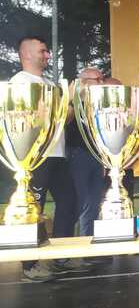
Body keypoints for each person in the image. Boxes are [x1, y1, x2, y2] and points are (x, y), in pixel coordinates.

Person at [11, 36, 85, 282]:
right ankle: (29, 265)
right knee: (33, 209)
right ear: (27, 54)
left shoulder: (50, 84)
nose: (48, 55)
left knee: (69, 202)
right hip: (35, 158)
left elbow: (64, 120)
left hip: (57, 155)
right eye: (42, 51)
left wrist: (71, 100)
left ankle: (60, 258)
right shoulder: (20, 82)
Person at [66, 67, 106, 237]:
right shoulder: (72, 102)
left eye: (102, 79)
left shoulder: (99, 104)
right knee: (77, 203)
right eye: (98, 79)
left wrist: (104, 158)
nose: (102, 83)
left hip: (97, 157)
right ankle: (64, 250)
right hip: (78, 155)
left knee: (93, 204)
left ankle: (89, 248)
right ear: (84, 81)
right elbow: (63, 121)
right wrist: (71, 101)